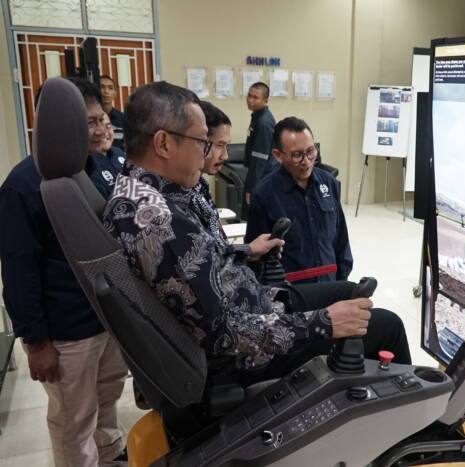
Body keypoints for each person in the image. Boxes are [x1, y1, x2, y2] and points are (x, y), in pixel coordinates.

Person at [103, 81, 410, 385]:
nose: (205, 154)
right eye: (201, 142)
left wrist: (246, 251)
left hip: (255, 304)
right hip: (249, 354)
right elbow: (223, 333)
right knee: (386, 325)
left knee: (347, 291)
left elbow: (199, 262)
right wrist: (325, 323)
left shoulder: (141, 193)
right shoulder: (160, 221)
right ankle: (422, 423)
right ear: (164, 144)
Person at [0, 77, 128, 467]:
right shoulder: (23, 185)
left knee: (107, 398)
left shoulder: (100, 165)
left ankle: (110, 454)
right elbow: (18, 271)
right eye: (86, 122)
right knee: (73, 418)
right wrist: (36, 342)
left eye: (99, 119)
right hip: (66, 329)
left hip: (110, 317)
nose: (98, 129)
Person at [246, 117, 353, 283]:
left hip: (330, 284)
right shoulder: (263, 195)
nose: (306, 161)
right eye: (297, 155)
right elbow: (255, 257)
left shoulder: (329, 183)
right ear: (278, 156)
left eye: (311, 151)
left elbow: (341, 239)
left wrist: (343, 282)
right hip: (293, 293)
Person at [191, 101, 231, 246]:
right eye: (220, 145)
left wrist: (250, 250)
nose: (225, 156)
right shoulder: (181, 195)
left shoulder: (200, 184)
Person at [242, 82, 276, 218]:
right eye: (249, 95)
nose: (250, 100)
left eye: (255, 97)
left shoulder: (263, 122)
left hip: (262, 176)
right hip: (259, 174)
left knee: (254, 215)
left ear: (265, 100)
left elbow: (259, 159)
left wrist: (251, 188)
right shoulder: (257, 116)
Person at [99, 75, 126, 151]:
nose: (106, 91)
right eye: (102, 87)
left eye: (110, 88)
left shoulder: (123, 119)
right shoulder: (91, 119)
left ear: (114, 93)